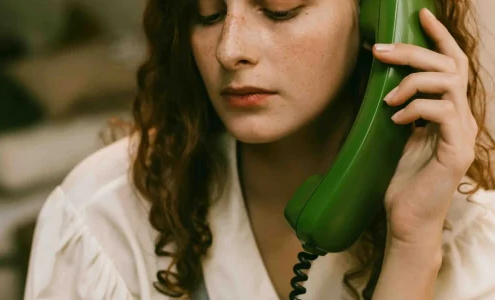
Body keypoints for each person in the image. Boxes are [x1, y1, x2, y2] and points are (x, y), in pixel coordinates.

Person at [24, 0, 495, 299]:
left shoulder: (475, 238)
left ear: (384, 21)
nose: (230, 50)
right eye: (207, 13)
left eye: (279, 8)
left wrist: (411, 247)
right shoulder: (101, 218)